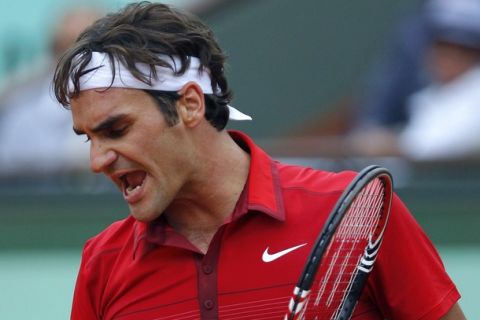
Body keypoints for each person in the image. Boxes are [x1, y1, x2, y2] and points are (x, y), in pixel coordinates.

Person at [53, 2, 465, 319]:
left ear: (190, 105)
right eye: (88, 138)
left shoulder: (355, 214)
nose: (97, 161)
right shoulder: (103, 262)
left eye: (116, 130)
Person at [0, 6, 102, 174]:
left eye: (94, 50)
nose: (80, 61)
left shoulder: (126, 107)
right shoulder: (20, 114)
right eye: (67, 47)